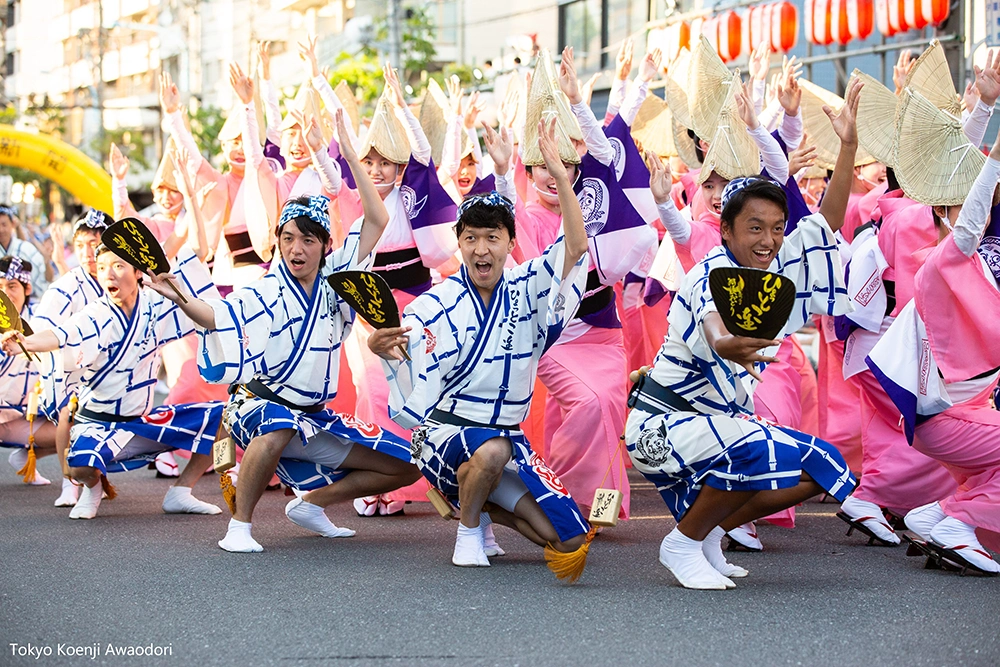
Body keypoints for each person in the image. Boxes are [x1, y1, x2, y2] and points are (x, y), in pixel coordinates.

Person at [621, 77, 865, 590]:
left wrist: (847, 147)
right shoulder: (709, 270)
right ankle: (682, 542)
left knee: (824, 464)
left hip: (716, 428)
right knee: (756, 446)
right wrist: (733, 345)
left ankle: (706, 532)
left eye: (776, 227)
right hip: (662, 428)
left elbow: (829, 223)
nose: (769, 239)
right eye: (755, 227)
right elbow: (716, 331)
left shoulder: (777, 270)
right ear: (726, 228)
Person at [154, 110, 420, 553]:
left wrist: (351, 155)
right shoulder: (264, 289)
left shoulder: (339, 277)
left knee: (406, 466)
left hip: (314, 417)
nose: (297, 248)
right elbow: (216, 316)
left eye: (309, 240)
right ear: (278, 240)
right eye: (289, 237)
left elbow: (375, 219)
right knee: (270, 428)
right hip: (260, 406)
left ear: (325, 246)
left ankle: (312, 503)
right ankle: (239, 526)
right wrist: (179, 296)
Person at [368, 118, 593, 574]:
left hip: (508, 438)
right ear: (460, 243)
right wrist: (380, 344)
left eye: (493, 237)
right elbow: (405, 344)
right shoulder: (440, 300)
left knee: (566, 539)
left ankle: (475, 502)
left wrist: (562, 181)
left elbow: (574, 246)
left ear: (511, 243)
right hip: (446, 434)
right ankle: (468, 528)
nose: (481, 248)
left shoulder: (529, 285)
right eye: (471, 238)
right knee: (489, 452)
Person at [1, 241, 224, 520]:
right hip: (98, 425)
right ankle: (91, 489)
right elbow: (62, 335)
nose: (109, 274)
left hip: (141, 424)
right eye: (103, 267)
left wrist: (177, 295)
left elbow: (205, 300)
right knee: (80, 467)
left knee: (221, 420)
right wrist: (27, 341)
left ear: (138, 272)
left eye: (119, 266)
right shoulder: (97, 314)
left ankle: (181, 491)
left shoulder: (154, 303)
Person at [866, 117, 1000, 574]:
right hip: (942, 418)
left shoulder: (969, 268)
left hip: (955, 413)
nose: (978, 216)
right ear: (943, 211)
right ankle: (958, 522)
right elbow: (965, 228)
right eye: (963, 207)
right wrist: (994, 158)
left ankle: (937, 513)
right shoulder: (941, 265)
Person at [30, 210, 109, 506]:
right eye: (81, 245)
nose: (88, 252)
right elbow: (42, 325)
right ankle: (69, 481)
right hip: (76, 371)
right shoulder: (68, 284)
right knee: (69, 413)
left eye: (95, 243)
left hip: (116, 371)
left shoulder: (125, 274)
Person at [0, 256, 57, 484]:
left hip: (20, 417)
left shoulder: (42, 318)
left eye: (12, 286)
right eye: (0, 287)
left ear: (27, 288)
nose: (4, 294)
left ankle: (26, 457)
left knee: (75, 430)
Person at [0, 206, 47, 294]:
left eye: (4, 224)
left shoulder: (26, 248)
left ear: (13, 224)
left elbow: (44, 276)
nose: (1, 230)